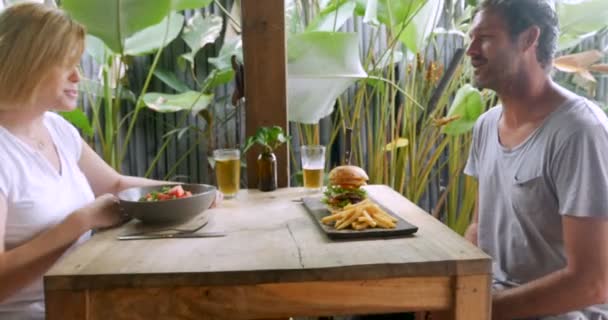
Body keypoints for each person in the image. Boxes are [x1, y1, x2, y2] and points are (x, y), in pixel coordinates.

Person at [0, 3, 221, 319]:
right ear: (28, 64)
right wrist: (81, 221)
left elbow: (116, 184)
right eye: (67, 65)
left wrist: (193, 192)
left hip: (87, 302)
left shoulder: (55, 127)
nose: (78, 75)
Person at [463, 0, 608, 319]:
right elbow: (479, 226)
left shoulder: (579, 132)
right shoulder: (487, 126)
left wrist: (479, 311)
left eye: (485, 37)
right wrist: (457, 293)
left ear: (529, 39)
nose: (471, 50)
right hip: (495, 302)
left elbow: (591, 283)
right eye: (470, 38)